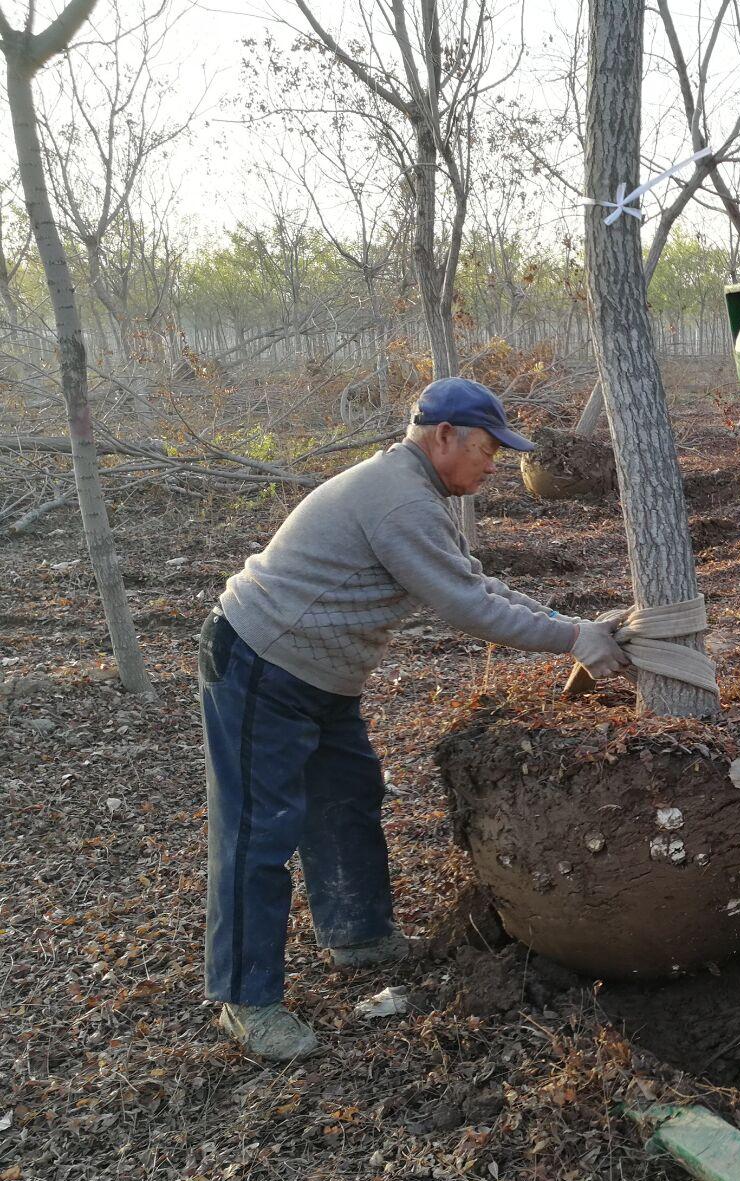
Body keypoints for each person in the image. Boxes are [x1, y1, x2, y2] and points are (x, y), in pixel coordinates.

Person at [200, 377, 628, 1060]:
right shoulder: (400, 500)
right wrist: (574, 639)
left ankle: (359, 935)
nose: (494, 465)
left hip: (318, 672)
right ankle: (244, 1000)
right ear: (444, 437)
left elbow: (473, 581)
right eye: (487, 450)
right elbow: (466, 609)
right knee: (259, 829)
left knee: (347, 795)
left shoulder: (419, 493)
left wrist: (568, 623)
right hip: (264, 662)